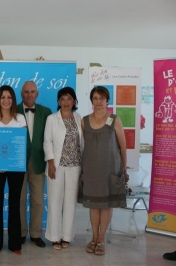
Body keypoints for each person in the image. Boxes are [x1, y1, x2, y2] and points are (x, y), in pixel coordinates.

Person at [78, 86, 128, 256]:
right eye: (95, 98)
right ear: (91, 100)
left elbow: (123, 146)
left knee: (106, 206)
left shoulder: (114, 119)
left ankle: (101, 239)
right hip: (91, 170)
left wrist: (124, 168)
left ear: (107, 100)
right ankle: (93, 237)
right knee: (93, 206)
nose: (98, 102)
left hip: (110, 169)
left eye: (102, 98)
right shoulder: (84, 121)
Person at [0, 85, 26, 254]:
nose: (6, 100)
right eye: (3, 97)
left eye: (9, 97)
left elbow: (21, 145)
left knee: (15, 204)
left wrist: (9, 163)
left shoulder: (20, 119)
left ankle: (15, 244)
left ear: (13, 100)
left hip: (16, 168)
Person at [43, 87, 83, 250]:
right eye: (62, 99)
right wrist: (51, 163)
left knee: (70, 203)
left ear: (74, 101)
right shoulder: (52, 119)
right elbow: (47, 142)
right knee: (55, 202)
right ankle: (54, 237)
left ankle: (66, 236)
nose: (66, 102)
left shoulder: (79, 118)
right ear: (58, 102)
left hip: (75, 167)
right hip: (57, 166)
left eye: (69, 98)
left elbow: (82, 143)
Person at [16, 81, 51, 247]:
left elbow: (50, 139)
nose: (29, 95)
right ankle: (21, 232)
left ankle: (36, 233)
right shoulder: (12, 110)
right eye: (26, 92)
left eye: (32, 92)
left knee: (38, 200)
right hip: (17, 163)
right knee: (19, 200)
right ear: (21, 93)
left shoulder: (46, 112)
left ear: (37, 93)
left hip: (38, 162)